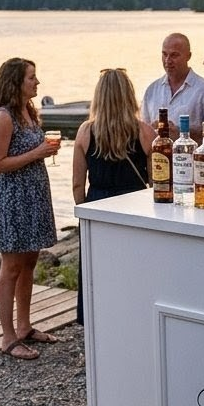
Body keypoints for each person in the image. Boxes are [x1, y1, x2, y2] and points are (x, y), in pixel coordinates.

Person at [0, 57, 59, 361]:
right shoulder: (4, 117)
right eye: (32, 77)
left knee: (30, 262)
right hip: (13, 198)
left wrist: (44, 152)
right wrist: (38, 152)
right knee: (11, 266)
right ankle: (7, 337)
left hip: (34, 195)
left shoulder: (29, 111)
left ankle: (25, 326)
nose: (37, 82)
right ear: (16, 81)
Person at [72, 68, 154, 325]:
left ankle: (96, 323)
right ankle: (132, 319)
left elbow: (77, 184)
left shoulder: (86, 132)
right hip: (134, 209)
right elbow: (157, 181)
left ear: (99, 97)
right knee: (132, 272)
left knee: (96, 273)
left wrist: (86, 209)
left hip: (97, 206)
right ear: (129, 96)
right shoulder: (144, 132)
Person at [141, 32, 204, 140]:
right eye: (164, 54)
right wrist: (151, 130)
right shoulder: (152, 90)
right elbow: (143, 133)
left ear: (188, 56)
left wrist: (181, 132)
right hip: (157, 155)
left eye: (174, 55)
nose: (168, 60)